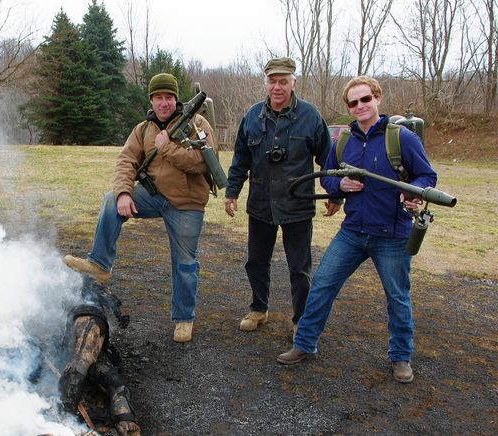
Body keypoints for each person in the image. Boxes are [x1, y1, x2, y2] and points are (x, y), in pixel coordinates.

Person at [277, 76, 438, 384]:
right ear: (348, 107)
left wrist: (414, 191)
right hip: (352, 231)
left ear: (377, 98)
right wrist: (340, 184)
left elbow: (426, 175)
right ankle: (304, 344)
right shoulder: (343, 142)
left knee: (397, 297)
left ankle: (401, 357)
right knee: (322, 283)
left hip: (391, 234)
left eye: (365, 99)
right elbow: (326, 178)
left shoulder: (401, 138)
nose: (360, 106)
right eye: (353, 102)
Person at [63, 73, 214, 344]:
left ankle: (184, 318)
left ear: (175, 99)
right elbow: (126, 161)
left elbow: (202, 163)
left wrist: (167, 149)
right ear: (152, 100)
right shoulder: (143, 129)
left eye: (169, 97)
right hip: (155, 196)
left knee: (185, 263)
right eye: (159, 97)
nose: (164, 102)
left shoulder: (197, 123)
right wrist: (124, 193)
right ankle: (99, 264)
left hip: (187, 202)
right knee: (110, 200)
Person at [225, 57, 332, 335]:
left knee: (299, 268)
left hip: (298, 205)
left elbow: (328, 160)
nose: (277, 87)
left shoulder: (310, 116)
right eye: (272, 81)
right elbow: (240, 159)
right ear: (266, 83)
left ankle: (301, 321)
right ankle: (259, 309)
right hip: (260, 204)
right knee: (256, 262)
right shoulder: (251, 116)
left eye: (283, 81)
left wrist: (335, 194)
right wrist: (232, 192)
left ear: (293, 83)